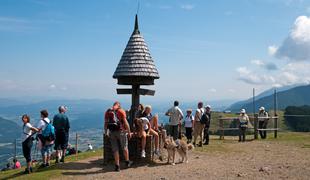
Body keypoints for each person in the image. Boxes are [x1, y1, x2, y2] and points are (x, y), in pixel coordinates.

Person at [104, 101, 133, 172]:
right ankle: (127, 162)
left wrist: (106, 132)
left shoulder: (108, 112)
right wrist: (129, 132)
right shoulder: (120, 111)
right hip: (121, 132)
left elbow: (105, 123)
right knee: (124, 147)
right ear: (119, 105)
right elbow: (126, 123)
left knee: (115, 149)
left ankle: (117, 166)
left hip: (111, 132)